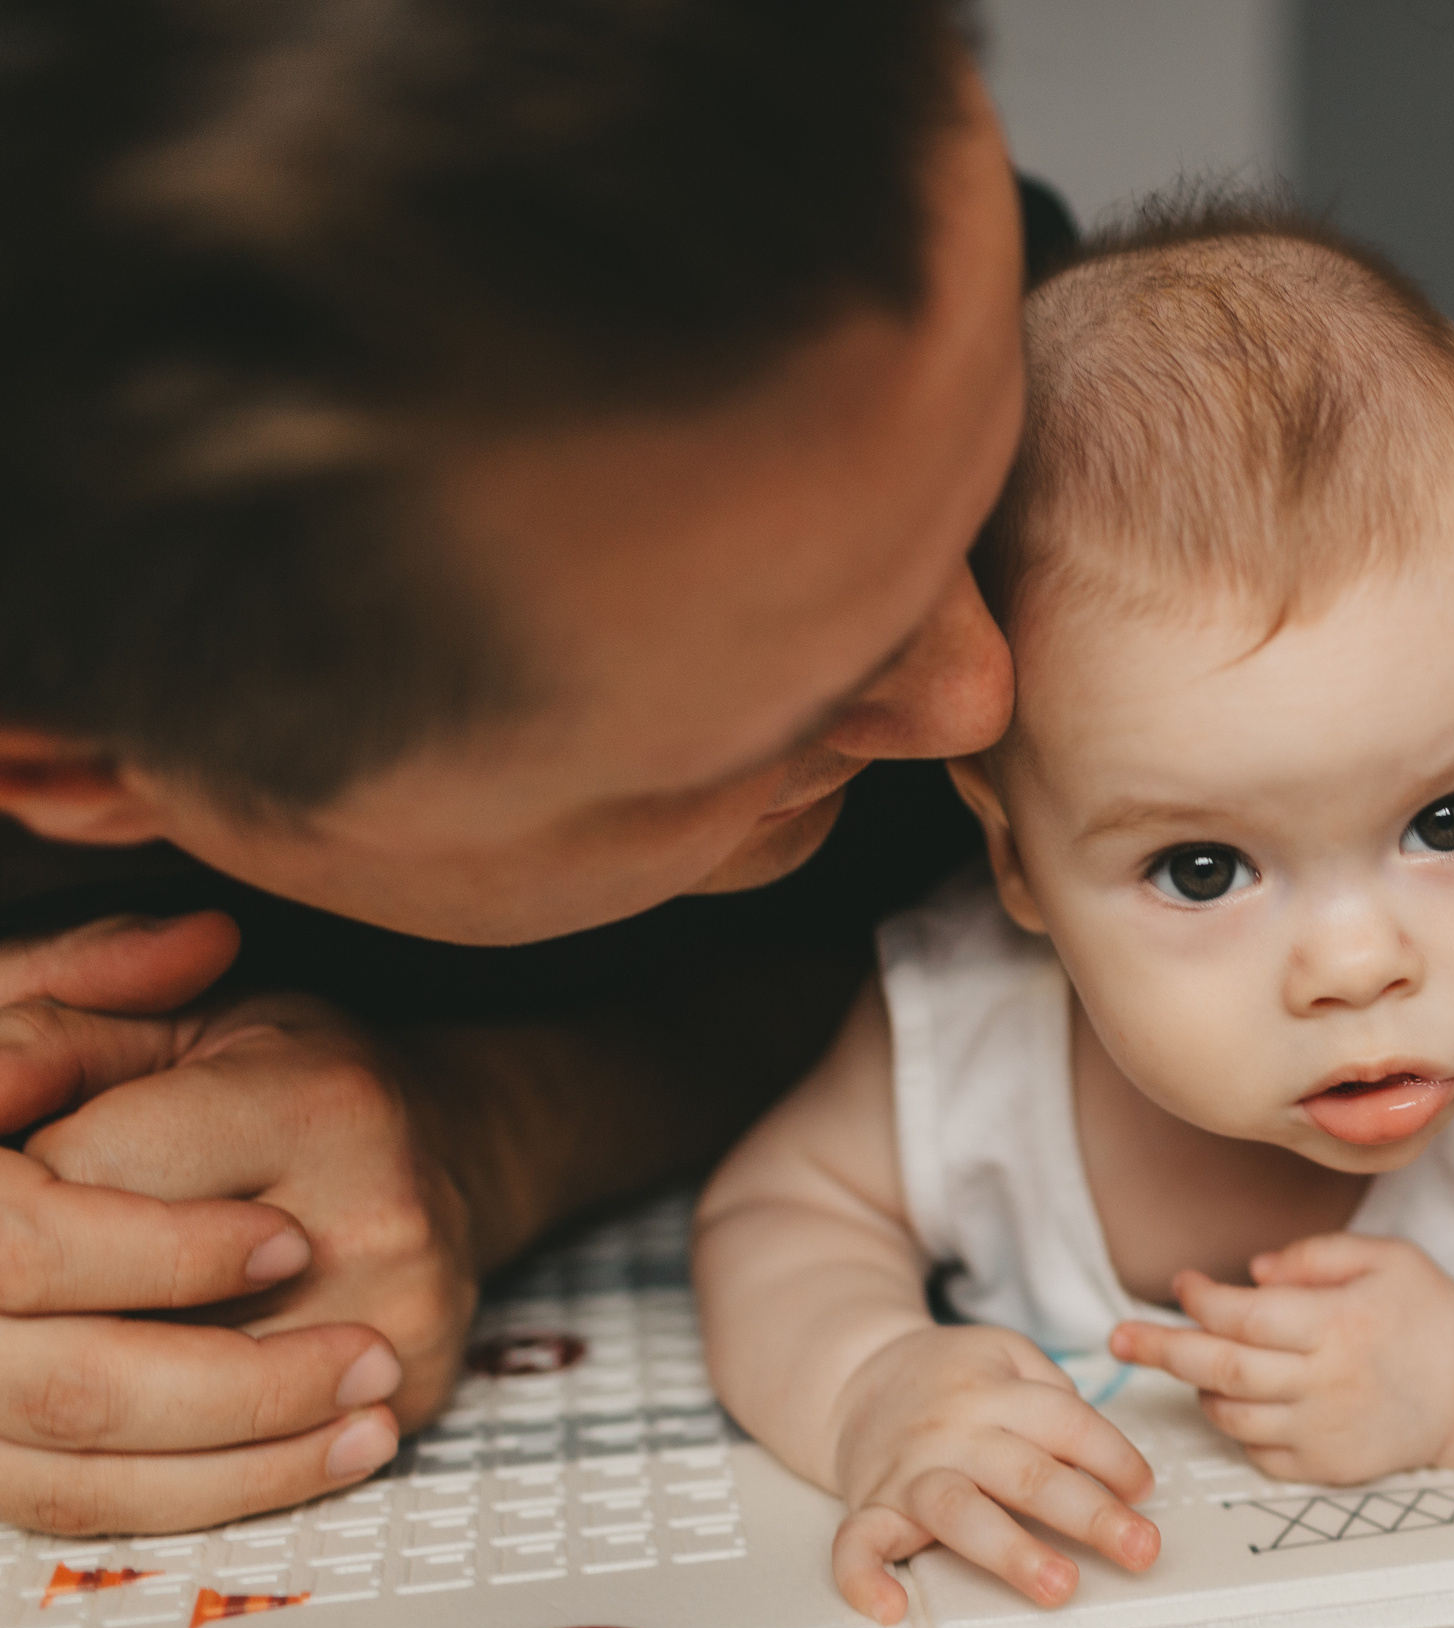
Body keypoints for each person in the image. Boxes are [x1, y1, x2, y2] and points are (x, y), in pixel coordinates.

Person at [692, 214, 1454, 1624]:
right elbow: (776, 1216)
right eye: (1203, 870)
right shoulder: (969, 1024)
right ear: (1018, 863)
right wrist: (870, 1382)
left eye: (1452, 820)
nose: (1364, 963)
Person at [0, 0, 1046, 1536]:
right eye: (781, 708)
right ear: (93, 766)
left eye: (987, 470)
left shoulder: (848, 280)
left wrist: (489, 1124)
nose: (984, 697)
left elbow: (972, 934)